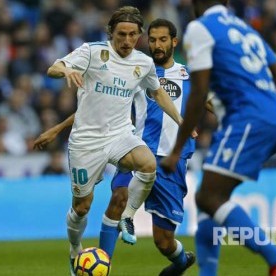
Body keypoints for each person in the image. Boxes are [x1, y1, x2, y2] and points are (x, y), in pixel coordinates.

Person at [35, 18, 202, 276]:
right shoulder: (97, 54)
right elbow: (90, 99)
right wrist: (58, 121)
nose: (127, 40)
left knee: (163, 238)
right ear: (112, 33)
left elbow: (170, 96)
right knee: (91, 204)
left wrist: (184, 122)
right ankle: (86, 255)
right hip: (104, 142)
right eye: (122, 34)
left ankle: (143, 230)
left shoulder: (161, 69)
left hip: (152, 152)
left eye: (133, 35)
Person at [160, 1, 276, 276]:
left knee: (209, 197)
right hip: (273, 119)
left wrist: (176, 149)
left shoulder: (200, 28)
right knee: (208, 201)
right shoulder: (246, 30)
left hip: (248, 119)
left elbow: (198, 91)